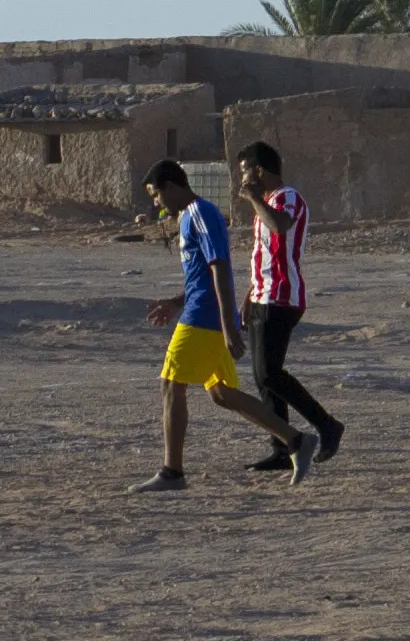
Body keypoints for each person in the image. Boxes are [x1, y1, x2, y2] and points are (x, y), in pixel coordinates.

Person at [133, 159, 312, 491]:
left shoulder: (201, 213)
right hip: (204, 312)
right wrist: (174, 303)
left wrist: (229, 327)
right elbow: (201, 276)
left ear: (171, 186)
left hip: (205, 317)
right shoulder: (188, 217)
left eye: (157, 195)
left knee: (171, 384)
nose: (156, 203)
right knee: (222, 394)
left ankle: (172, 472)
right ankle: (297, 441)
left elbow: (220, 269)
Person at [226, 142, 348, 478]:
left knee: (269, 374)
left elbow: (280, 227)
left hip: (283, 298)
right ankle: (282, 448)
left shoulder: (286, 197)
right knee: (264, 380)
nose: (243, 179)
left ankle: (327, 425)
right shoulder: (266, 203)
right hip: (263, 297)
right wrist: (250, 296)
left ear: (259, 170)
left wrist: (252, 198)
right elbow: (264, 253)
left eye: (245, 171)